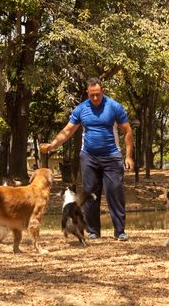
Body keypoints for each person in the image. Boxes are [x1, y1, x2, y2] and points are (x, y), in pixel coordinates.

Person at [40, 77, 134, 241]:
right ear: (87, 93)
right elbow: (67, 131)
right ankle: (93, 231)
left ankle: (119, 231)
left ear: (103, 91)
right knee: (90, 194)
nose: (95, 98)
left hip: (112, 156)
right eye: (92, 95)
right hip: (89, 157)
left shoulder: (114, 107)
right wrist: (52, 145)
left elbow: (127, 131)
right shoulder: (81, 109)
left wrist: (128, 156)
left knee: (115, 192)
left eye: (98, 94)